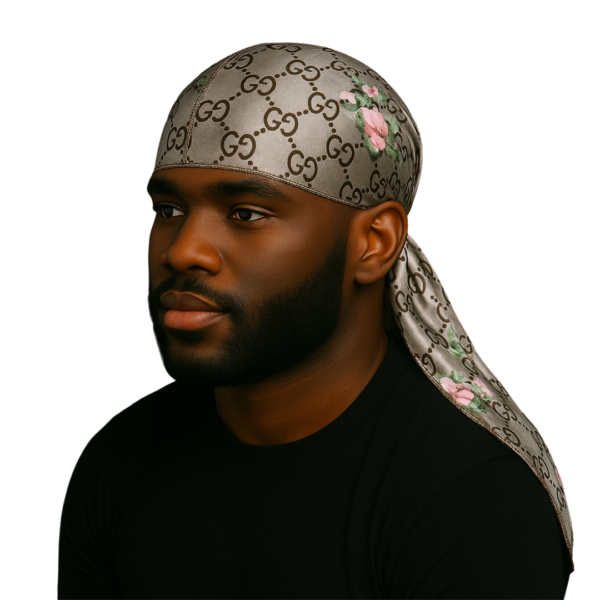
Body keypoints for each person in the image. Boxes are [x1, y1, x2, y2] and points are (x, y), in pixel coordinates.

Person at [58, 43, 574, 599]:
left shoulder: (472, 495)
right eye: (169, 210)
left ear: (373, 243)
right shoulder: (120, 462)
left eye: (246, 213)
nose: (184, 250)